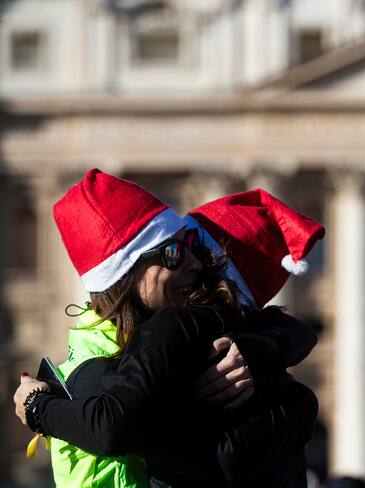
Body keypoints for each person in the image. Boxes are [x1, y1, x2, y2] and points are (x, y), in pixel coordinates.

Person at [13, 169, 324, 487]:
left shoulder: (187, 335)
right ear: (126, 272)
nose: (195, 264)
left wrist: (37, 406)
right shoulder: (109, 362)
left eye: (193, 247)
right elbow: (115, 429)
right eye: (175, 252)